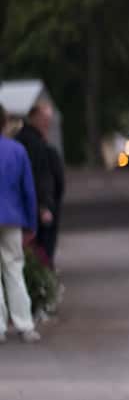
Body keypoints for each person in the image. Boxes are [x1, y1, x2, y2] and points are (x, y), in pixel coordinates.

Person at [0, 103, 40, 341]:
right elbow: (28, 190)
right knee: (14, 269)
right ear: (5, 123)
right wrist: (31, 223)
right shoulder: (17, 150)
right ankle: (25, 324)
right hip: (12, 217)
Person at [16, 96, 64, 265]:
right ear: (34, 118)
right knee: (42, 252)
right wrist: (44, 205)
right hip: (39, 207)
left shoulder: (24, 140)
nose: (48, 124)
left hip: (32, 206)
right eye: (45, 120)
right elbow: (40, 176)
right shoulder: (34, 144)